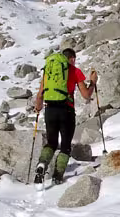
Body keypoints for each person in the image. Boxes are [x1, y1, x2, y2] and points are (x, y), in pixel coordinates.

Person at [33, 42, 97, 184]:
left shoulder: (49, 72)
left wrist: (38, 108)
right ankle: (57, 176)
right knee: (65, 145)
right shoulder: (75, 71)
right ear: (72, 59)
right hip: (66, 110)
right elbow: (86, 95)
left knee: (51, 143)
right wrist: (92, 83)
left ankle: (42, 164)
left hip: (49, 109)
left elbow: (39, 95)